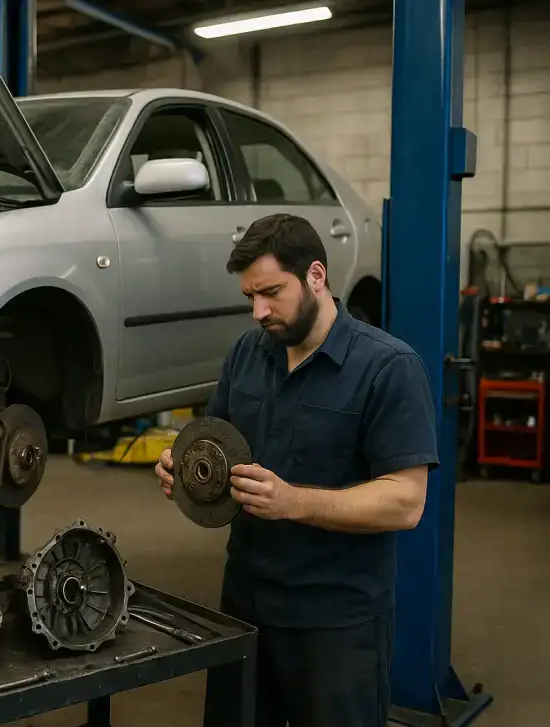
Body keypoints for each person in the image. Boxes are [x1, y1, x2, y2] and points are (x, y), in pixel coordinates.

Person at [154, 213, 438, 727]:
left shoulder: (388, 368)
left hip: (336, 623)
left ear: (315, 275)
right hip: (243, 608)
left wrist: (295, 502)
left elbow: (406, 501)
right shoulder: (247, 354)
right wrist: (186, 469)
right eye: (249, 297)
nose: (259, 311)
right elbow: (212, 441)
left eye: (271, 292)